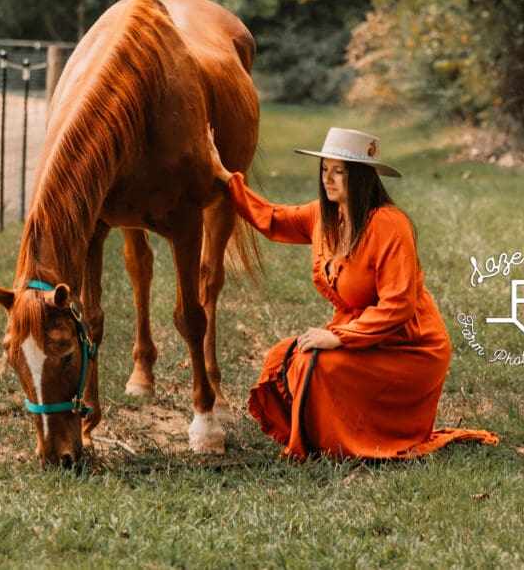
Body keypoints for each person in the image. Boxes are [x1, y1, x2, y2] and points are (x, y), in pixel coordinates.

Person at [208, 125, 498, 460]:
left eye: (339, 172)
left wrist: (341, 337)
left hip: (410, 346)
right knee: (284, 357)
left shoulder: (389, 224)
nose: (328, 179)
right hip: (366, 336)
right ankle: (326, 439)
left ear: (360, 177)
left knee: (320, 365)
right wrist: (225, 177)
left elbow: (398, 305)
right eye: (324, 169)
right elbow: (272, 219)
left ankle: (353, 441)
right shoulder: (324, 215)